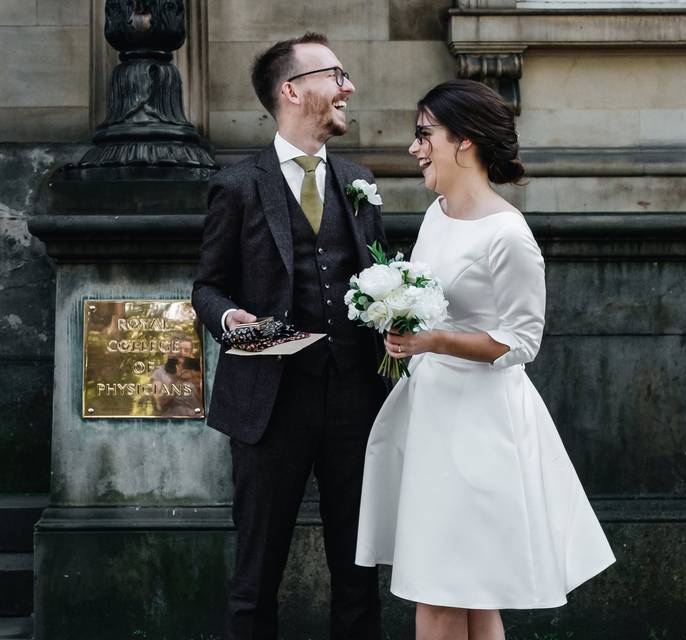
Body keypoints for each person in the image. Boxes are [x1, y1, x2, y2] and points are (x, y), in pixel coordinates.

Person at [355, 80, 615, 640]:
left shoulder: (508, 235)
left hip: (480, 427)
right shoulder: (437, 214)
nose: (414, 148)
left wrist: (434, 342)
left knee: (440, 590)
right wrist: (399, 324)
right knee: (468, 594)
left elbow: (524, 340)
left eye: (425, 135)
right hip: (433, 415)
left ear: (464, 142)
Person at [192, 32, 389, 640]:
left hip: (355, 401)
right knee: (257, 571)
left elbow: (377, 274)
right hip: (268, 405)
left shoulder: (359, 181)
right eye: (336, 75)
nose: (348, 87)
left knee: (358, 572)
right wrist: (230, 320)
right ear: (292, 90)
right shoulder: (238, 185)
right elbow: (207, 286)